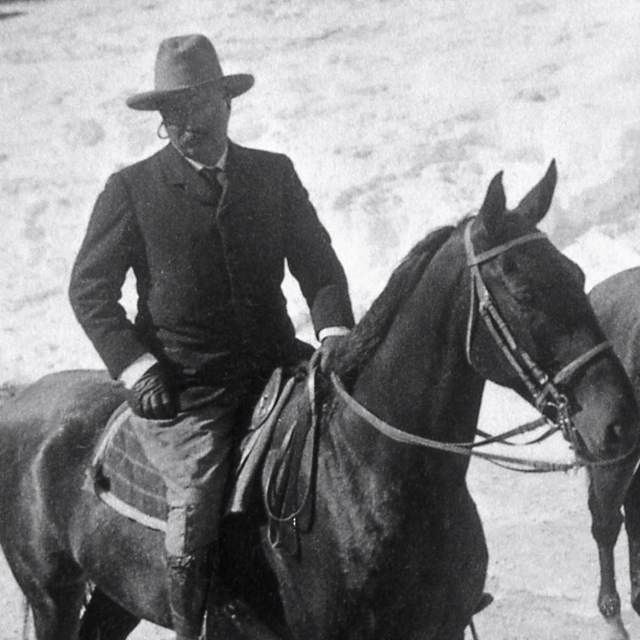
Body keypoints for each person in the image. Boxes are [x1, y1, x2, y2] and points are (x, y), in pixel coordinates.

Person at [69, 33, 354, 640]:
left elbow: (321, 269)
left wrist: (332, 333)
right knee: (197, 501)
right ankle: (194, 628)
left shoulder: (273, 176)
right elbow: (89, 292)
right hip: (187, 388)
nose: (187, 124)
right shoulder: (133, 189)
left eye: (198, 107)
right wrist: (136, 367)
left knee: (359, 448)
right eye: (173, 113)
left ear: (227, 104)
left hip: (280, 367)